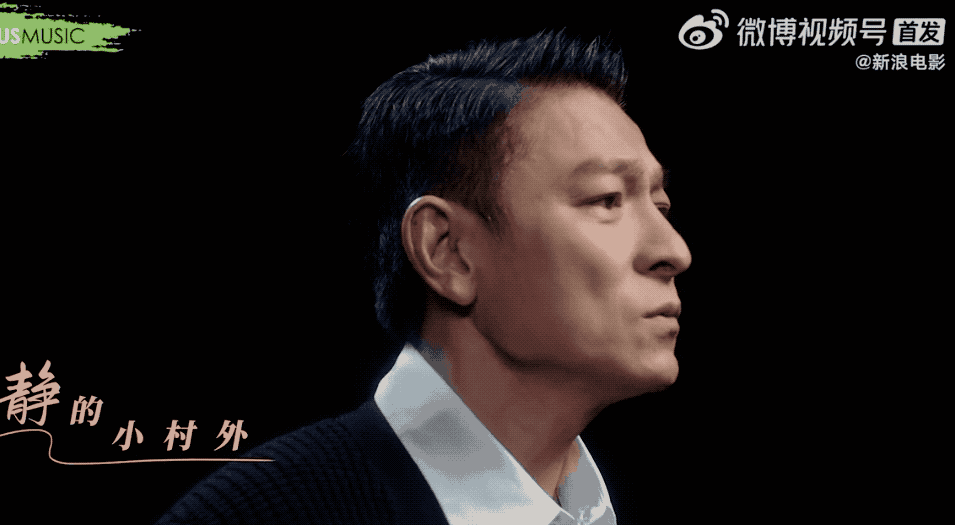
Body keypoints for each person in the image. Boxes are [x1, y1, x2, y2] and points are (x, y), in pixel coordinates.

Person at [157, 29, 691, 525]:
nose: (673, 252)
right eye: (606, 200)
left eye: (661, 205)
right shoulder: (263, 513)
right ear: (448, 251)